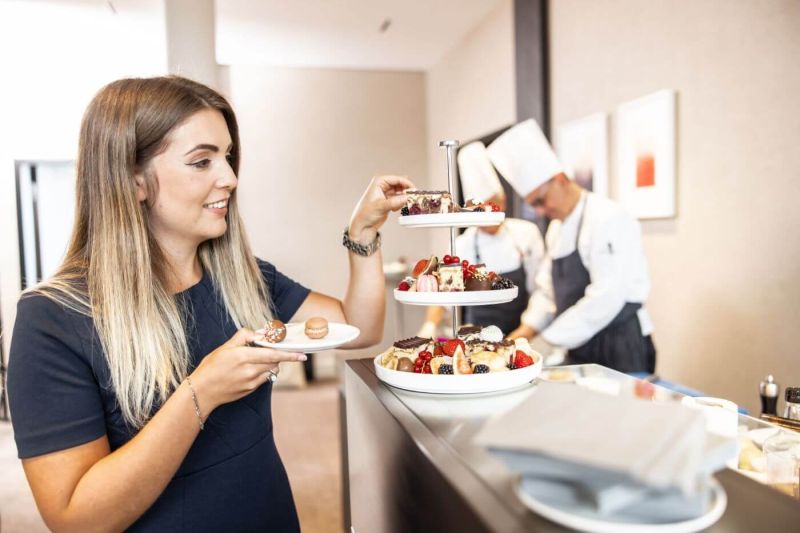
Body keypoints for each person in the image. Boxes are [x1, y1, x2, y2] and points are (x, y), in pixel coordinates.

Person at [7, 76, 412, 532]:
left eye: (228, 156)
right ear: (133, 179)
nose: (231, 178)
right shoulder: (53, 319)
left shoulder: (244, 278)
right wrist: (201, 394)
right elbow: (77, 520)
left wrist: (363, 235)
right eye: (202, 161)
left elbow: (359, 327)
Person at [489, 119, 656, 373]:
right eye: (533, 204)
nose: (541, 211)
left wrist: (548, 340)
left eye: (541, 200)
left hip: (619, 344)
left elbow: (606, 296)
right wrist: (523, 334)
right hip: (579, 347)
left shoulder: (607, 216)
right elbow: (547, 293)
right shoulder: (557, 228)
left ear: (560, 178)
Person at [419, 141, 544, 337]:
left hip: (521, 333)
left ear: (502, 202)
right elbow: (444, 295)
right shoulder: (462, 245)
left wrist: (524, 333)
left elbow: (541, 289)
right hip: (476, 337)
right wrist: (429, 326)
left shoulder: (526, 234)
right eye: (478, 210)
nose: (485, 214)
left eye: (491, 206)